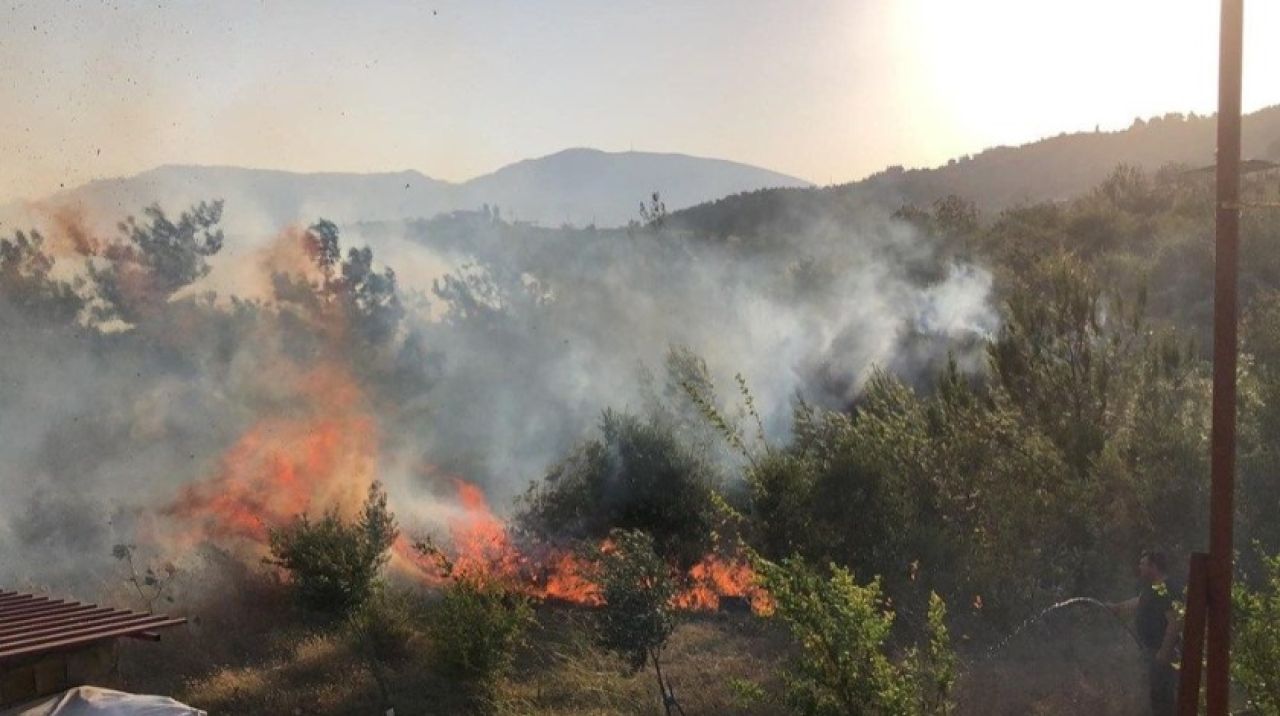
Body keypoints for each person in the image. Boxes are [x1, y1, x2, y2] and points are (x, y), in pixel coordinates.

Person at [1108, 551, 1182, 716]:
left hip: (1162, 655)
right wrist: (1116, 607)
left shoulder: (1167, 589)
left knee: (1164, 701)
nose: (1139, 567)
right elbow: (1138, 602)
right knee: (1152, 698)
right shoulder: (1152, 588)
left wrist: (1163, 653)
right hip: (1150, 652)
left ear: (1153, 567)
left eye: (1143, 564)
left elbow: (1175, 623)